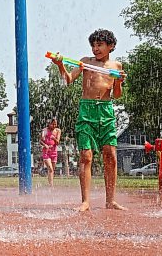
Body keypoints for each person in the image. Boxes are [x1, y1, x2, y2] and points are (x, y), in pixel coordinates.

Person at [52, 28, 126, 212]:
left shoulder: (116, 66)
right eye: (93, 45)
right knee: (86, 156)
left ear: (111, 46)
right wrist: (60, 65)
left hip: (106, 111)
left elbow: (116, 95)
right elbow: (67, 80)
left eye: (100, 45)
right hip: (86, 110)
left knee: (110, 155)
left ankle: (110, 200)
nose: (96, 49)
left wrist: (119, 82)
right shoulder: (85, 62)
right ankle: (85, 201)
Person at [39, 118, 61, 186]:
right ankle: (51, 185)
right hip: (46, 152)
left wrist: (53, 138)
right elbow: (40, 140)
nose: (54, 125)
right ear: (49, 124)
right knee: (50, 169)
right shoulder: (45, 130)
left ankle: (50, 184)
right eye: (53, 124)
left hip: (54, 152)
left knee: (52, 170)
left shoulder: (58, 131)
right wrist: (45, 144)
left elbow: (57, 142)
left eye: (55, 124)